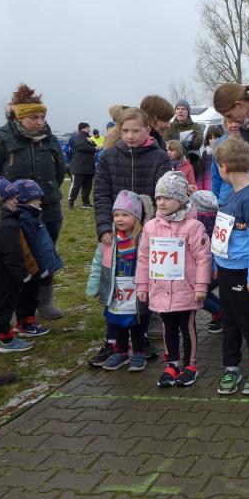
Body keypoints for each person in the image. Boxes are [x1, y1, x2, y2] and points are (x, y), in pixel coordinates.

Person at [0, 84, 66, 320]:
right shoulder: (2, 140)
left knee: (46, 253)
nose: (40, 122)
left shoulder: (50, 140)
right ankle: (12, 307)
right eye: (34, 117)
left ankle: (43, 302)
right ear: (20, 117)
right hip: (14, 211)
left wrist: (45, 193)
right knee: (17, 257)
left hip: (47, 208)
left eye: (42, 117)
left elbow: (59, 171)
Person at [136, 172, 211, 388]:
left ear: (180, 199)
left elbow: (203, 257)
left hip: (186, 289)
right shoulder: (150, 227)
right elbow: (144, 258)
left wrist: (201, 285)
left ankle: (190, 365)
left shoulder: (193, 227)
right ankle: (172, 364)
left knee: (187, 327)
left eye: (167, 198)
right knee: (168, 327)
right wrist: (142, 285)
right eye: (159, 198)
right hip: (160, 289)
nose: (162, 202)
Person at [211, 138, 249, 396]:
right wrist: (217, 262)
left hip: (245, 273)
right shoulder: (232, 196)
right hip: (226, 270)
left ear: (224, 167)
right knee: (230, 321)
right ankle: (231, 367)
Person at [86, 190, 153, 371]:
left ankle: (138, 352)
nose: (119, 219)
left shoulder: (143, 238)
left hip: (137, 289)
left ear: (136, 217)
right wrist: (93, 286)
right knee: (118, 320)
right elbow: (98, 262)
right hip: (116, 291)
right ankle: (121, 352)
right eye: (116, 215)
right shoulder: (109, 239)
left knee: (136, 321)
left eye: (125, 215)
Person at [94, 108, 171, 246]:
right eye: (125, 131)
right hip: (116, 228)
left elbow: (163, 196)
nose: (130, 136)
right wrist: (104, 227)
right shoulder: (108, 156)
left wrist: (157, 227)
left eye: (136, 131)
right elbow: (101, 195)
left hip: (150, 230)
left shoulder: (160, 157)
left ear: (147, 130)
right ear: (120, 131)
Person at [0, 178, 34, 353]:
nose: (16, 201)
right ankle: (6, 339)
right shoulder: (6, 224)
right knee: (4, 308)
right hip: (3, 276)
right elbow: (12, 254)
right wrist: (21, 275)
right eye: (11, 198)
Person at [13, 180, 64, 338]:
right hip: (33, 265)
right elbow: (33, 245)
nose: (40, 201)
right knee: (29, 295)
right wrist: (40, 265)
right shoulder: (26, 218)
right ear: (26, 200)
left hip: (35, 265)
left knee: (29, 295)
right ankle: (26, 324)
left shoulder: (32, 215)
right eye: (37, 198)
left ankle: (24, 322)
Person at [190, 189, 223, 334]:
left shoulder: (198, 222)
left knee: (194, 294)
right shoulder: (217, 219)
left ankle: (221, 313)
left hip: (205, 267)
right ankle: (223, 312)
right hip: (216, 265)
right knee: (205, 291)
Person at [68, 122, 98, 210]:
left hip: (88, 167)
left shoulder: (87, 138)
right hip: (79, 167)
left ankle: (86, 202)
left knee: (87, 186)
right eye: (88, 128)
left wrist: (93, 146)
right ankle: (71, 202)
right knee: (76, 185)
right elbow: (83, 147)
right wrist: (94, 148)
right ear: (83, 128)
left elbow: (95, 146)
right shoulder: (78, 137)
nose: (89, 130)